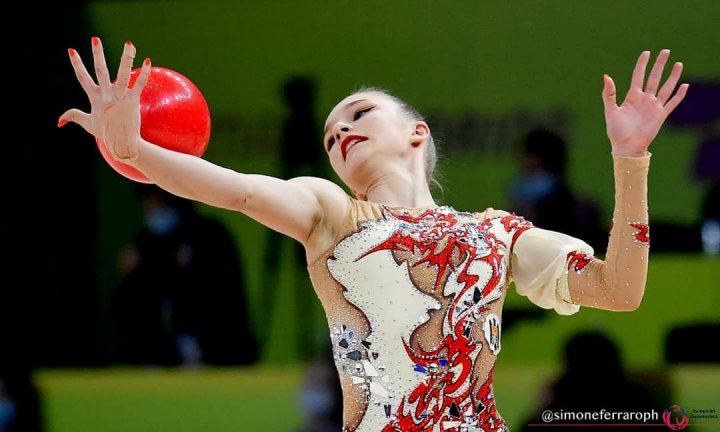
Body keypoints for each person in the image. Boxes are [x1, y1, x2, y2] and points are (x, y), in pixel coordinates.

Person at [60, 38, 687, 431]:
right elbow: (234, 187)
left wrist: (631, 162)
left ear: (417, 132)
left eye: (358, 115)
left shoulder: (497, 234)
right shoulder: (331, 213)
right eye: (331, 137)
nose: (341, 135)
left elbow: (619, 287)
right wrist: (135, 149)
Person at [114, 185, 258, 367]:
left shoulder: (209, 236)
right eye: (148, 200)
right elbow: (130, 310)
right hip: (158, 355)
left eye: (159, 200)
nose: (152, 206)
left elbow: (223, 301)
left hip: (216, 352)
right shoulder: (144, 242)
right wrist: (131, 274)